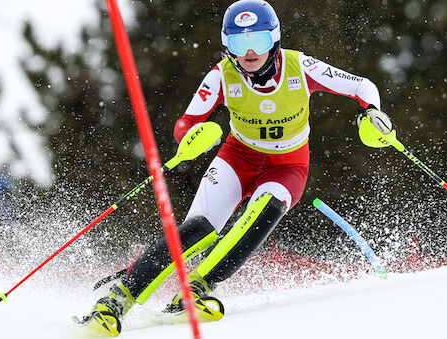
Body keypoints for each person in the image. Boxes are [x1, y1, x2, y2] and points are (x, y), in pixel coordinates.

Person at [79, 0, 392, 335]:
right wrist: (194, 137)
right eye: (240, 44)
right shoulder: (222, 76)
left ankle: (195, 289)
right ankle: (115, 301)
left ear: (274, 39)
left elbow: (361, 86)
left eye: (258, 40)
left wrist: (370, 112)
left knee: (263, 213)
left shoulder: (300, 67)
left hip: (287, 165)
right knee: (198, 229)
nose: (250, 51)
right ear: (228, 46)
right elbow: (186, 122)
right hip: (237, 158)